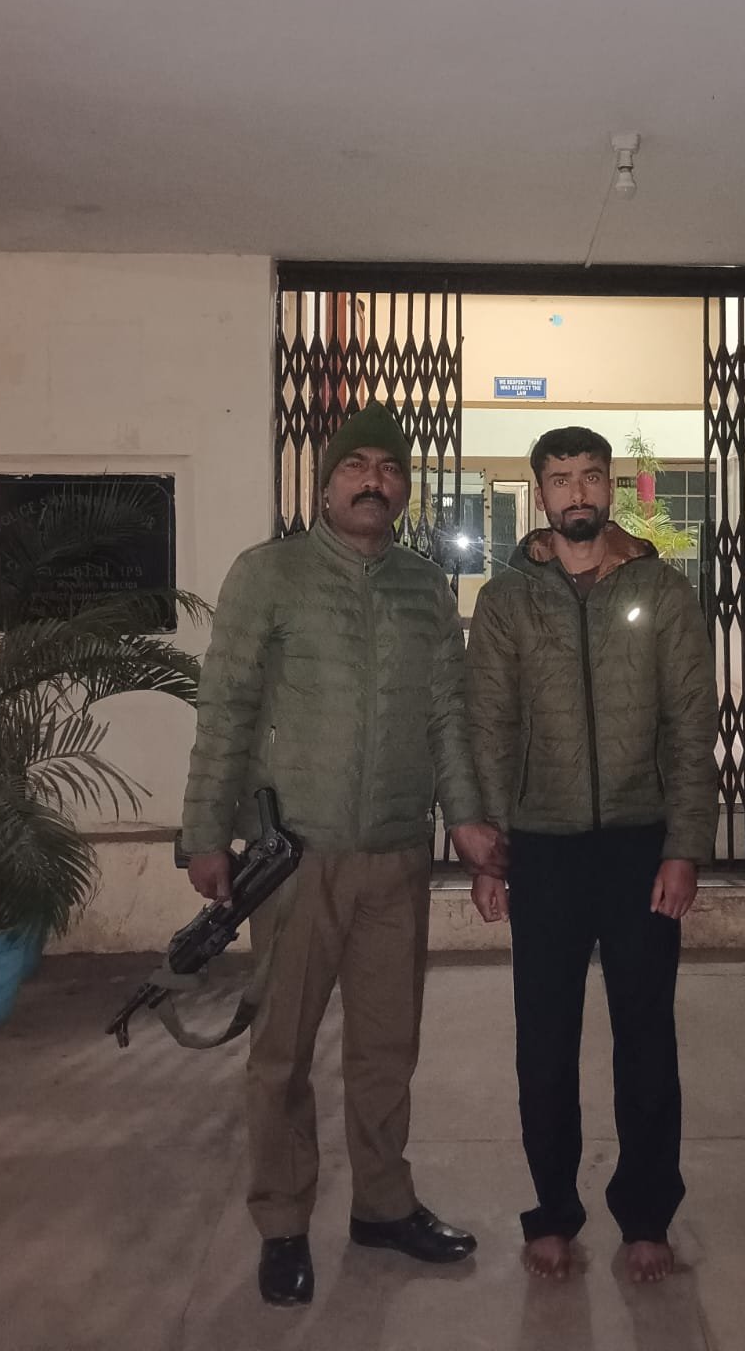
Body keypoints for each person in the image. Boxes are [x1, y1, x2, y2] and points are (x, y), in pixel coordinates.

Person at [180, 401, 506, 1307]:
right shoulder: (269, 576)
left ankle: (384, 1205)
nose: (374, 480)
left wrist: (467, 819)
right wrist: (205, 832)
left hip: (396, 858)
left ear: (403, 490)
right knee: (281, 1053)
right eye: (357, 465)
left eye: (390, 468)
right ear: (326, 485)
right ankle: (283, 1222)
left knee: (387, 1047)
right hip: (296, 861)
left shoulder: (424, 588)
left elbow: (447, 716)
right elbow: (227, 707)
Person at [465, 425, 718, 1285]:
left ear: (612, 488)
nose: (577, 492)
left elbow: (691, 727)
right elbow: (489, 728)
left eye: (591, 477)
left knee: (646, 1037)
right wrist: (490, 852)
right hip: (544, 851)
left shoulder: (663, 592)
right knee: (544, 1041)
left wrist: (684, 848)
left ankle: (646, 1216)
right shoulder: (507, 602)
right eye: (561, 478)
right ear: (539, 493)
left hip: (642, 847)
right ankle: (553, 1213)